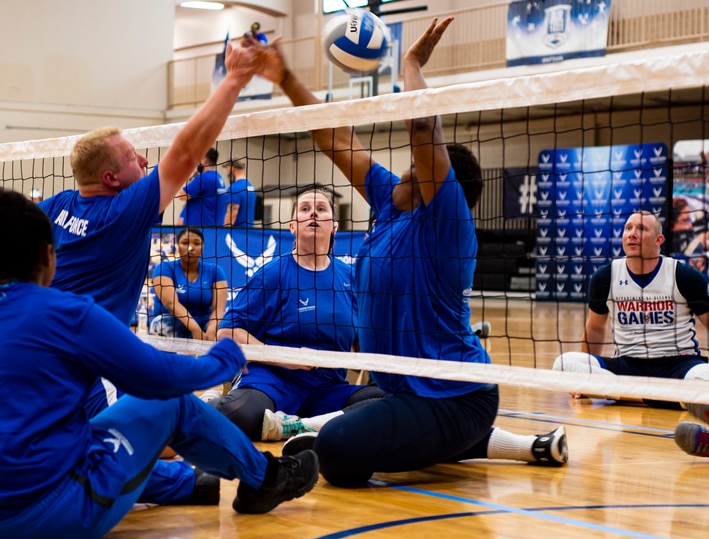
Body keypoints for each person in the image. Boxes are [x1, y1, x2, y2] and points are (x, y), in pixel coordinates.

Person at [0, 189, 318, 539]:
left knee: (83, 431)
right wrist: (226, 357)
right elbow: (162, 380)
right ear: (49, 256)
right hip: (54, 516)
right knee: (167, 404)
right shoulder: (68, 313)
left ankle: (190, 484)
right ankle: (266, 478)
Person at [245, 18, 568, 485]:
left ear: (430, 178)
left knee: (337, 452)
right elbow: (334, 139)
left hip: (455, 396)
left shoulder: (444, 225)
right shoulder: (388, 202)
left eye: (414, 166)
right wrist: (285, 77)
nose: (400, 169)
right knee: (359, 418)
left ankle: (453, 438)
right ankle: (502, 446)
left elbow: (422, 127)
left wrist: (411, 63)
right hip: (403, 388)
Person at [37, 39, 270, 505]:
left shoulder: (54, 206)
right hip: (90, 358)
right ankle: (232, 478)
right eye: (133, 158)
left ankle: (189, 485)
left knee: (87, 448)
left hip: (46, 355)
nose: (144, 161)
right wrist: (235, 80)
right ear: (111, 179)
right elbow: (186, 152)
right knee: (158, 417)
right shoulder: (123, 210)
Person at [215, 187, 384, 441]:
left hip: (328, 388)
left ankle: (299, 427)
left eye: (321, 209)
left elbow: (366, 341)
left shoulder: (350, 278)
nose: (313, 213)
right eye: (305, 209)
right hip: (274, 381)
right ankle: (217, 401)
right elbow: (226, 332)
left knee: (392, 402)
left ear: (334, 227)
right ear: (292, 226)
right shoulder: (273, 274)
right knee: (237, 419)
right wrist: (284, 357)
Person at [552, 211, 709, 415]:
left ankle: (627, 394)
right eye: (628, 228)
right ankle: (668, 398)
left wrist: (591, 384)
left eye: (642, 229)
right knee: (563, 364)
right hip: (628, 366)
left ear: (658, 240)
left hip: (679, 364)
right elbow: (595, 328)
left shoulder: (684, 275)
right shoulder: (605, 277)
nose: (632, 234)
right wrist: (581, 380)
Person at [149, 226, 227, 341]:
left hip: (205, 323)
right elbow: (171, 304)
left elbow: (219, 310)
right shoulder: (164, 268)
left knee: (225, 329)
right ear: (177, 246)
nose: (191, 248)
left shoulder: (215, 271)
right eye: (185, 243)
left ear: (202, 248)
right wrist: (195, 330)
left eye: (196, 243)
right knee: (161, 325)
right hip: (173, 322)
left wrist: (211, 330)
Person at [178, 148, 228, 226]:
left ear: (204, 160)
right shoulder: (219, 178)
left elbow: (182, 195)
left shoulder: (203, 178)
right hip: (214, 227)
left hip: (200, 228)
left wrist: (188, 177)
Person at [224, 159, 257, 228]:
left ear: (232, 168)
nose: (227, 173)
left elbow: (233, 212)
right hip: (249, 231)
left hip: (237, 233)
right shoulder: (250, 186)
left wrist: (225, 231)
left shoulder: (235, 187)